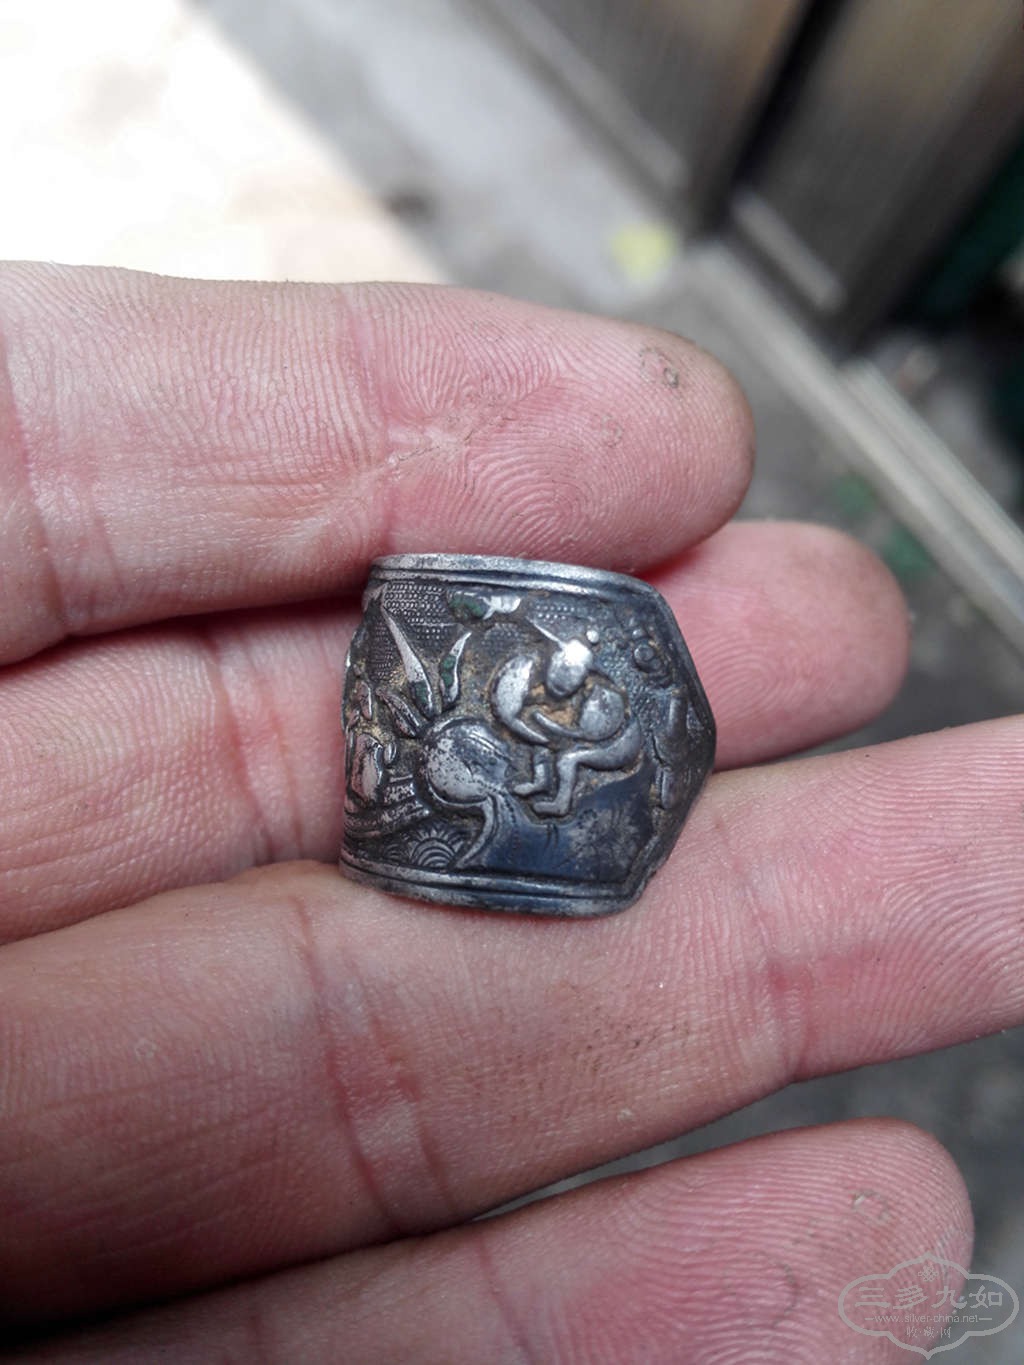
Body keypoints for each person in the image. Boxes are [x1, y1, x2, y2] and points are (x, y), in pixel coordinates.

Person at [0, 264, 1019, 1362]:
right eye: (556, 682)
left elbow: (578, 748)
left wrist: (544, 757)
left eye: (572, 687)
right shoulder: (502, 670)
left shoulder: (583, 719)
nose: (561, 691)